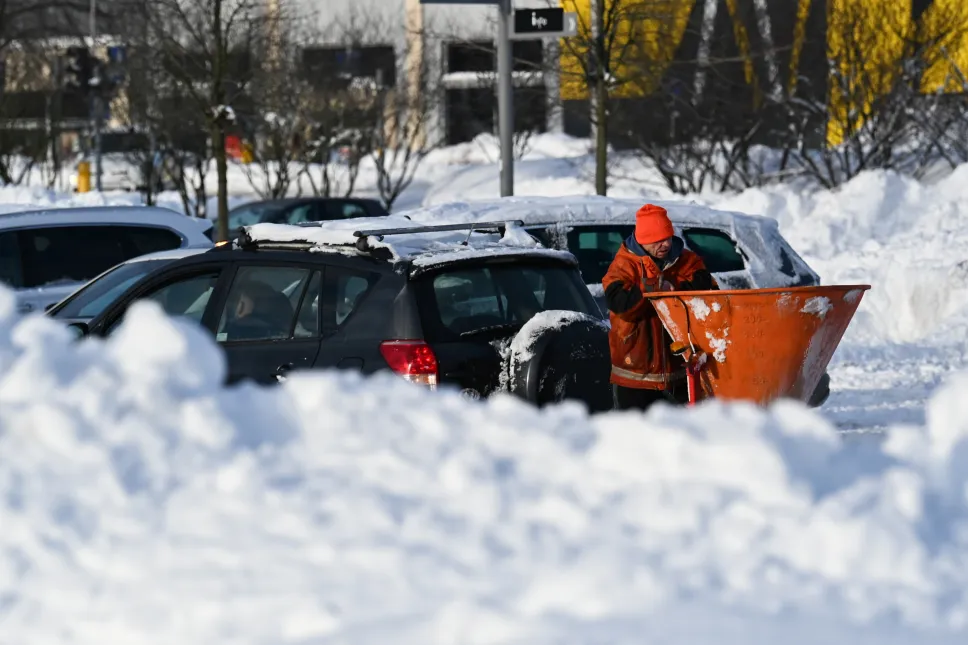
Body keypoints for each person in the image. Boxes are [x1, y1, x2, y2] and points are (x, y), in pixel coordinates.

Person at [602, 203, 719, 411]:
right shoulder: (623, 266)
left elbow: (707, 287)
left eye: (667, 237)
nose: (665, 244)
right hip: (636, 376)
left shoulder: (687, 260)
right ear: (643, 240)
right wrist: (654, 290)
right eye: (657, 240)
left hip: (681, 372)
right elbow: (620, 305)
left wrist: (673, 289)